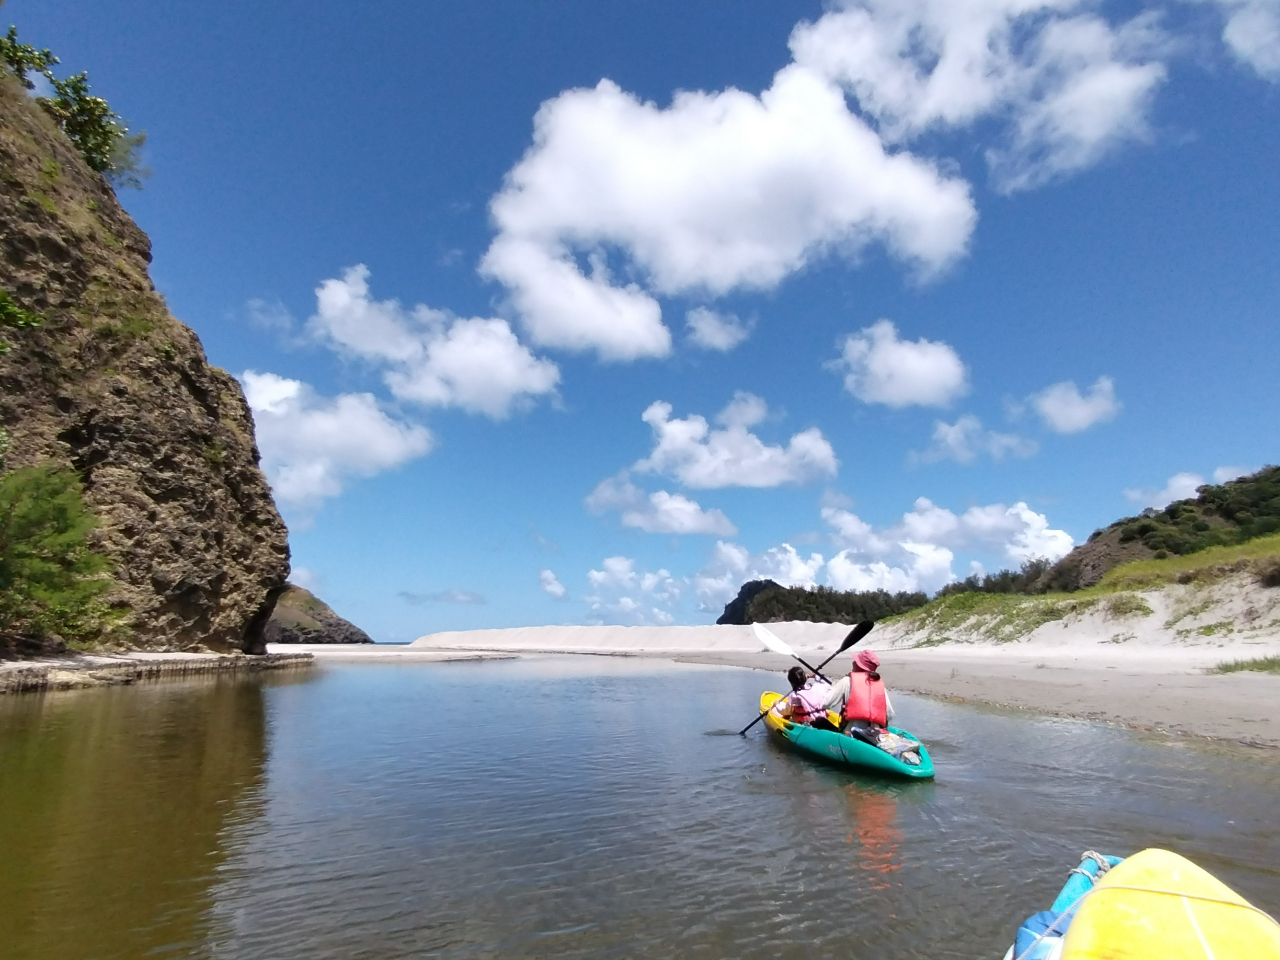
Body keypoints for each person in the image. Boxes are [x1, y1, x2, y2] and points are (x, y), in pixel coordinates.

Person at [822, 649, 895, 739]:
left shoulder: (847, 681)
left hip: (851, 734)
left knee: (819, 721)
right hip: (875, 735)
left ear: (860, 666)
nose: (853, 663)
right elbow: (890, 715)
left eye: (856, 661)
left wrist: (832, 686)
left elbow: (825, 703)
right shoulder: (878, 684)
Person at [774, 666, 840, 731]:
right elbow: (827, 683)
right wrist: (816, 676)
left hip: (808, 725)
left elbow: (786, 711)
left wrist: (777, 705)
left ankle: (797, 727)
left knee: (792, 709)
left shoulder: (794, 695)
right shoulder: (816, 687)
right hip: (822, 719)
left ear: (791, 683)